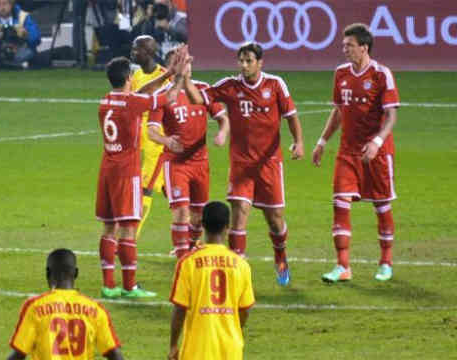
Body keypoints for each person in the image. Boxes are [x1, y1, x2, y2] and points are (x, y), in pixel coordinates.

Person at [183, 43, 304, 286]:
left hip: (269, 164)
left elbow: (291, 117)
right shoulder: (230, 86)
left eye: (249, 60)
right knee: (239, 215)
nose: (244, 65)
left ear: (260, 63)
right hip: (241, 165)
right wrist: (185, 78)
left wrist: (299, 142)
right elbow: (198, 99)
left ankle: (280, 255)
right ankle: (237, 273)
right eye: (241, 60)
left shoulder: (275, 84)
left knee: (275, 220)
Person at [312, 23, 400, 283]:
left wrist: (377, 141)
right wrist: (322, 141)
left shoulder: (382, 74)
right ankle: (342, 266)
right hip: (347, 152)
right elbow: (338, 111)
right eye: (344, 45)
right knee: (340, 202)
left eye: (349, 45)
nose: (345, 49)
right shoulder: (340, 74)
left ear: (364, 47)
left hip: (377, 153)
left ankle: (386, 262)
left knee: (382, 206)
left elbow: (391, 115)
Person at [96, 53, 186, 299]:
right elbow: (169, 98)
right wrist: (178, 77)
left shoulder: (106, 101)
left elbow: (140, 93)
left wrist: (166, 74)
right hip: (127, 173)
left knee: (108, 227)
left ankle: (108, 285)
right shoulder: (132, 104)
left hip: (107, 171)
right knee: (127, 228)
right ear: (128, 78)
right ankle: (130, 287)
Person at [147, 50, 229, 258]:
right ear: (171, 68)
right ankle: (182, 255)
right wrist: (166, 141)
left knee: (198, 215)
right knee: (181, 212)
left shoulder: (202, 90)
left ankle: (190, 246)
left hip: (200, 163)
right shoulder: (163, 96)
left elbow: (223, 118)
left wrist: (222, 133)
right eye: (181, 63)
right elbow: (151, 130)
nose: (187, 66)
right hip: (176, 164)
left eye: (188, 62)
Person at [168, 201, 255, 360]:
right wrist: (235, 328)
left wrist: (173, 345)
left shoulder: (188, 262)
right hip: (231, 350)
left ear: (202, 225)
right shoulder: (242, 265)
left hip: (196, 351)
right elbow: (245, 310)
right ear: (227, 227)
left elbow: (179, 309)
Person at [7, 249, 124, 360]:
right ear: (76, 273)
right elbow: (114, 354)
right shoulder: (97, 310)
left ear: (48, 273)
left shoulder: (34, 307)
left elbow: (18, 354)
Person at [130, 35, 170, 240]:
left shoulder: (165, 76)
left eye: (137, 49)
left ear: (149, 52)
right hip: (139, 143)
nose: (133, 52)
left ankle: (130, 239)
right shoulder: (136, 75)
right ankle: (193, 236)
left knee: (144, 189)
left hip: (157, 144)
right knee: (170, 189)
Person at [0, 0, 42, 70]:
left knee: (29, 52)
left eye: (5, 4)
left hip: (18, 51)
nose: (2, 7)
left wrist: (26, 35)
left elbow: (36, 40)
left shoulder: (23, 16)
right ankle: (13, 65)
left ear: (11, 4)